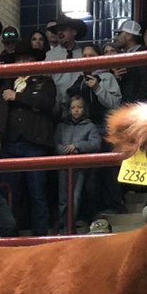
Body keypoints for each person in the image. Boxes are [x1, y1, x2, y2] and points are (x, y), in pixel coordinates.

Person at [0, 50, 57, 237]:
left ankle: (40, 233)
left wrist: (18, 97)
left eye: (26, 59)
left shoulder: (44, 82)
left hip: (34, 144)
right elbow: (1, 112)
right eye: (19, 59)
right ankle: (10, 233)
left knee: (37, 191)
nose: (22, 62)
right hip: (11, 144)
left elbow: (46, 102)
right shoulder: (8, 83)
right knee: (11, 193)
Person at [53, 96, 102, 233]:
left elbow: (96, 144)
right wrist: (65, 150)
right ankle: (63, 227)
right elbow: (55, 144)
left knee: (75, 197)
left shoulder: (89, 126)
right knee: (63, 199)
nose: (76, 110)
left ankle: (70, 226)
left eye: (79, 107)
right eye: (73, 107)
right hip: (63, 165)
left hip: (79, 167)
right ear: (68, 109)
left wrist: (78, 146)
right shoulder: (61, 126)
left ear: (84, 109)